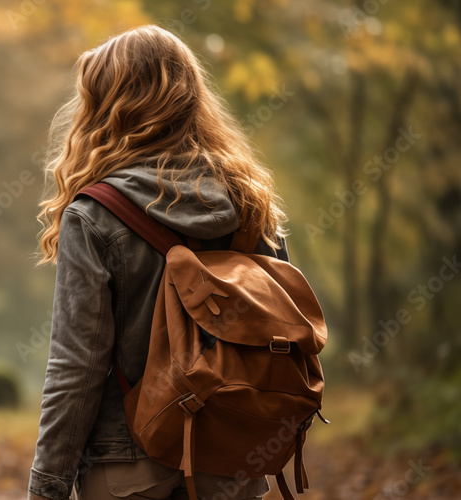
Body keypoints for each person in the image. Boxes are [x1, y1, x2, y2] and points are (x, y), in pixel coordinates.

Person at [29, 25, 289, 500]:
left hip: (127, 462)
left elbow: (77, 367)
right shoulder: (248, 201)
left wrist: (46, 486)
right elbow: (280, 330)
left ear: (106, 107)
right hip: (231, 459)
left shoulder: (95, 213)